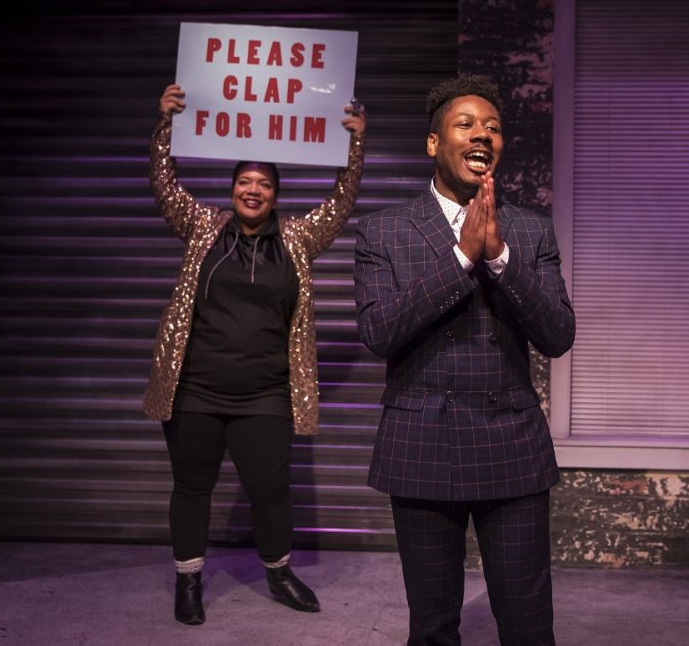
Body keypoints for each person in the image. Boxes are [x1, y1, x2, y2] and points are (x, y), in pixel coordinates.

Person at [353, 74, 574, 645]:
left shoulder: (529, 229)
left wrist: (499, 257)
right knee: (432, 625)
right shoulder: (384, 230)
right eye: (467, 124)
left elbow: (557, 334)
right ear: (433, 143)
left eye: (494, 127)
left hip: (512, 444)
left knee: (528, 623)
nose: (483, 135)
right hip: (421, 442)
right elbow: (379, 331)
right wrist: (459, 259)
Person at [145, 83, 366, 625]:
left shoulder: (296, 239)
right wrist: (166, 126)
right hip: (195, 388)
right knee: (192, 488)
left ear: (275, 194)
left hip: (266, 393)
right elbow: (164, 185)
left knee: (271, 491)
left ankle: (279, 571)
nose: (252, 190)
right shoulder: (203, 228)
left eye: (263, 183)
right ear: (232, 188)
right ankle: (189, 579)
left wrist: (354, 146)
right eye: (244, 181)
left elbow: (341, 204)